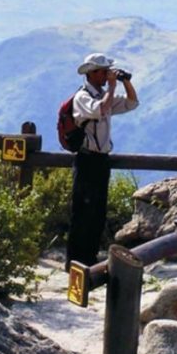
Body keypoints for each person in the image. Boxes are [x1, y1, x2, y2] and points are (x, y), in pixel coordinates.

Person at [65, 52, 139, 269]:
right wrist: (114, 87)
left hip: (100, 160)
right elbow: (102, 109)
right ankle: (74, 262)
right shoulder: (83, 97)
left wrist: (125, 82)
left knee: (97, 212)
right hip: (86, 160)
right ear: (93, 73)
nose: (108, 75)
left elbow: (132, 103)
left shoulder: (102, 94)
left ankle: (89, 259)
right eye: (104, 71)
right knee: (82, 213)